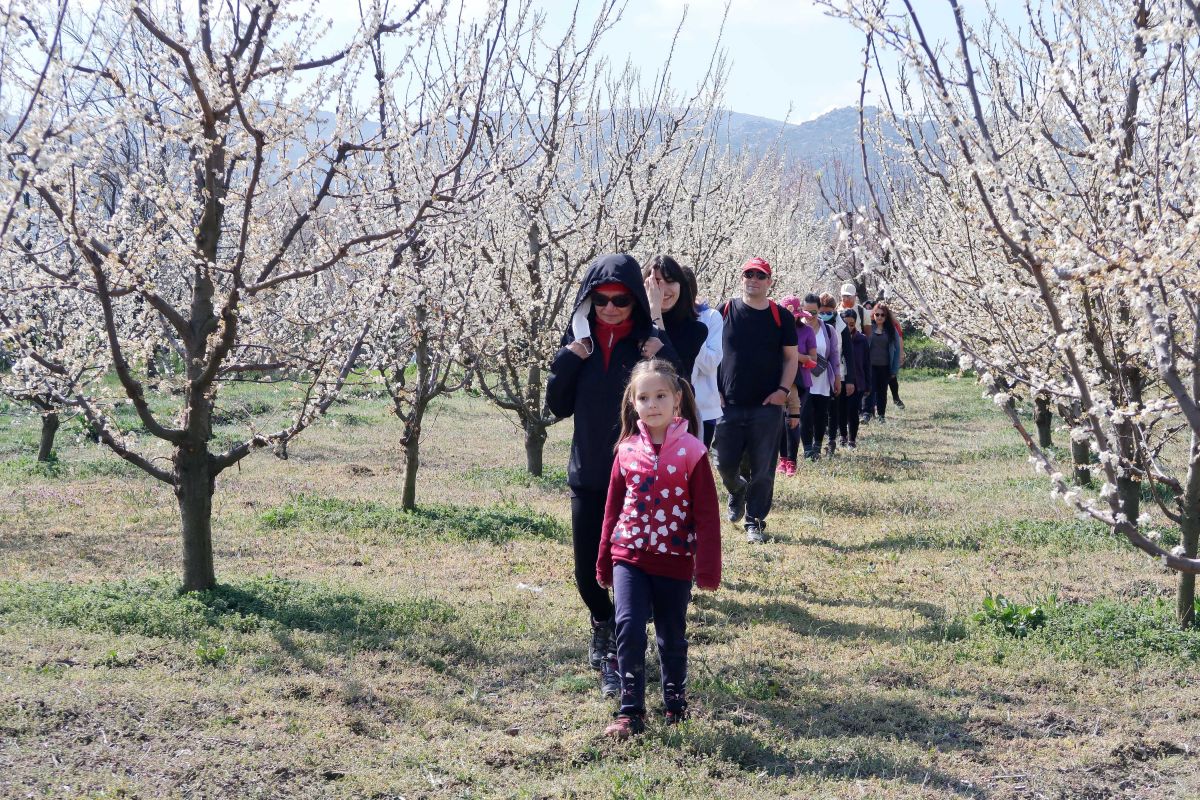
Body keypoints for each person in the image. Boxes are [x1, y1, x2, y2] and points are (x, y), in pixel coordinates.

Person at [546, 253, 682, 699]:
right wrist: (570, 357)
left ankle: (619, 658)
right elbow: (556, 405)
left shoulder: (646, 345)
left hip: (640, 480)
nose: (609, 308)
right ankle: (602, 623)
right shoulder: (578, 341)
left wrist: (663, 349)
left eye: (620, 299)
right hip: (588, 476)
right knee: (588, 575)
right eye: (600, 299)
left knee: (630, 573)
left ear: (635, 301)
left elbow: (676, 395)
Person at [596, 359, 721, 739]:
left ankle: (675, 704)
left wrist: (708, 568)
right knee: (628, 626)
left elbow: (707, 516)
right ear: (633, 403)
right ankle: (630, 710)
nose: (653, 404)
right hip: (629, 555)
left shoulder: (693, 452)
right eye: (644, 397)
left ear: (677, 399)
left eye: (661, 395)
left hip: (675, 559)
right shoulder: (625, 451)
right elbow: (612, 510)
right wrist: (604, 559)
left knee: (671, 634)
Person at [714, 257, 799, 543]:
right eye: (748, 274)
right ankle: (736, 489)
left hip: (766, 406)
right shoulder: (724, 311)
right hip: (728, 404)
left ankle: (755, 522)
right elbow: (709, 354)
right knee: (724, 463)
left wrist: (783, 392)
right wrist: (714, 390)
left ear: (769, 281)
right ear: (741, 278)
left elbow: (791, 358)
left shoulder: (780, 316)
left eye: (760, 275)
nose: (753, 279)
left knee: (763, 468)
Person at [644, 255, 709, 389]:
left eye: (671, 281)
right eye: (656, 281)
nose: (664, 289)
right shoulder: (633, 325)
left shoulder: (695, 330)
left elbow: (679, 376)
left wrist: (655, 313)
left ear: (681, 286)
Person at [682, 266, 723, 448]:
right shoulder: (659, 319)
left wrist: (691, 331)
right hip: (666, 408)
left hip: (704, 409)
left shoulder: (710, 317)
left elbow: (710, 363)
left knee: (697, 466)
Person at [777, 295, 816, 476]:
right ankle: (782, 458)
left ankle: (792, 460)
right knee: (779, 422)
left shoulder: (806, 331)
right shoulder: (774, 330)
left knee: (792, 421)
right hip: (777, 380)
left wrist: (795, 356)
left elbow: (813, 360)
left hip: (801, 382)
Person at [799, 293, 839, 460]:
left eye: (814, 313)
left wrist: (837, 378)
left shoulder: (828, 331)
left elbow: (835, 355)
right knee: (804, 414)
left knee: (821, 415)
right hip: (802, 379)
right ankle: (807, 448)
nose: (810, 317)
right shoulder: (796, 328)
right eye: (806, 312)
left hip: (822, 379)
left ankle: (817, 446)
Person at [819, 293, 856, 457]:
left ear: (834, 310)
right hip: (816, 373)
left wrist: (850, 380)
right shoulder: (813, 324)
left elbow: (848, 354)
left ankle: (832, 440)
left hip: (836, 372)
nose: (824, 315)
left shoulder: (841, 327)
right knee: (818, 408)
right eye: (822, 311)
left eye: (828, 312)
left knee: (834, 409)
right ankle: (816, 440)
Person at [867, 302, 902, 423]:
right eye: (877, 314)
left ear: (886, 317)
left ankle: (881, 415)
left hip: (885, 366)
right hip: (870, 365)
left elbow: (897, 350)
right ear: (873, 315)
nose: (880, 317)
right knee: (869, 390)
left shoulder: (891, 331)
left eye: (883, 315)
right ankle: (867, 413)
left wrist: (894, 369)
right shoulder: (868, 328)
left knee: (882, 392)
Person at [840, 308, 870, 447]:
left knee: (853, 411)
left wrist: (868, 385)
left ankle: (852, 439)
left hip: (858, 380)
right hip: (840, 378)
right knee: (841, 410)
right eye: (845, 323)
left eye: (851, 324)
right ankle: (842, 436)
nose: (848, 327)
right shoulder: (837, 338)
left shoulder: (861, 339)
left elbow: (866, 363)